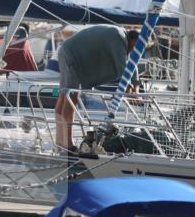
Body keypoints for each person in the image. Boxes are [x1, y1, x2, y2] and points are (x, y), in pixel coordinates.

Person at [54, 24, 140, 153]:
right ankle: (67, 145)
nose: (134, 50)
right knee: (70, 98)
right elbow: (123, 66)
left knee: (65, 97)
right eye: (135, 47)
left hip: (69, 52)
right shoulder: (118, 37)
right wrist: (129, 87)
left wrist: (136, 89)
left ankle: (60, 142)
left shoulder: (120, 37)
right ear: (132, 39)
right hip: (71, 55)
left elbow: (132, 65)